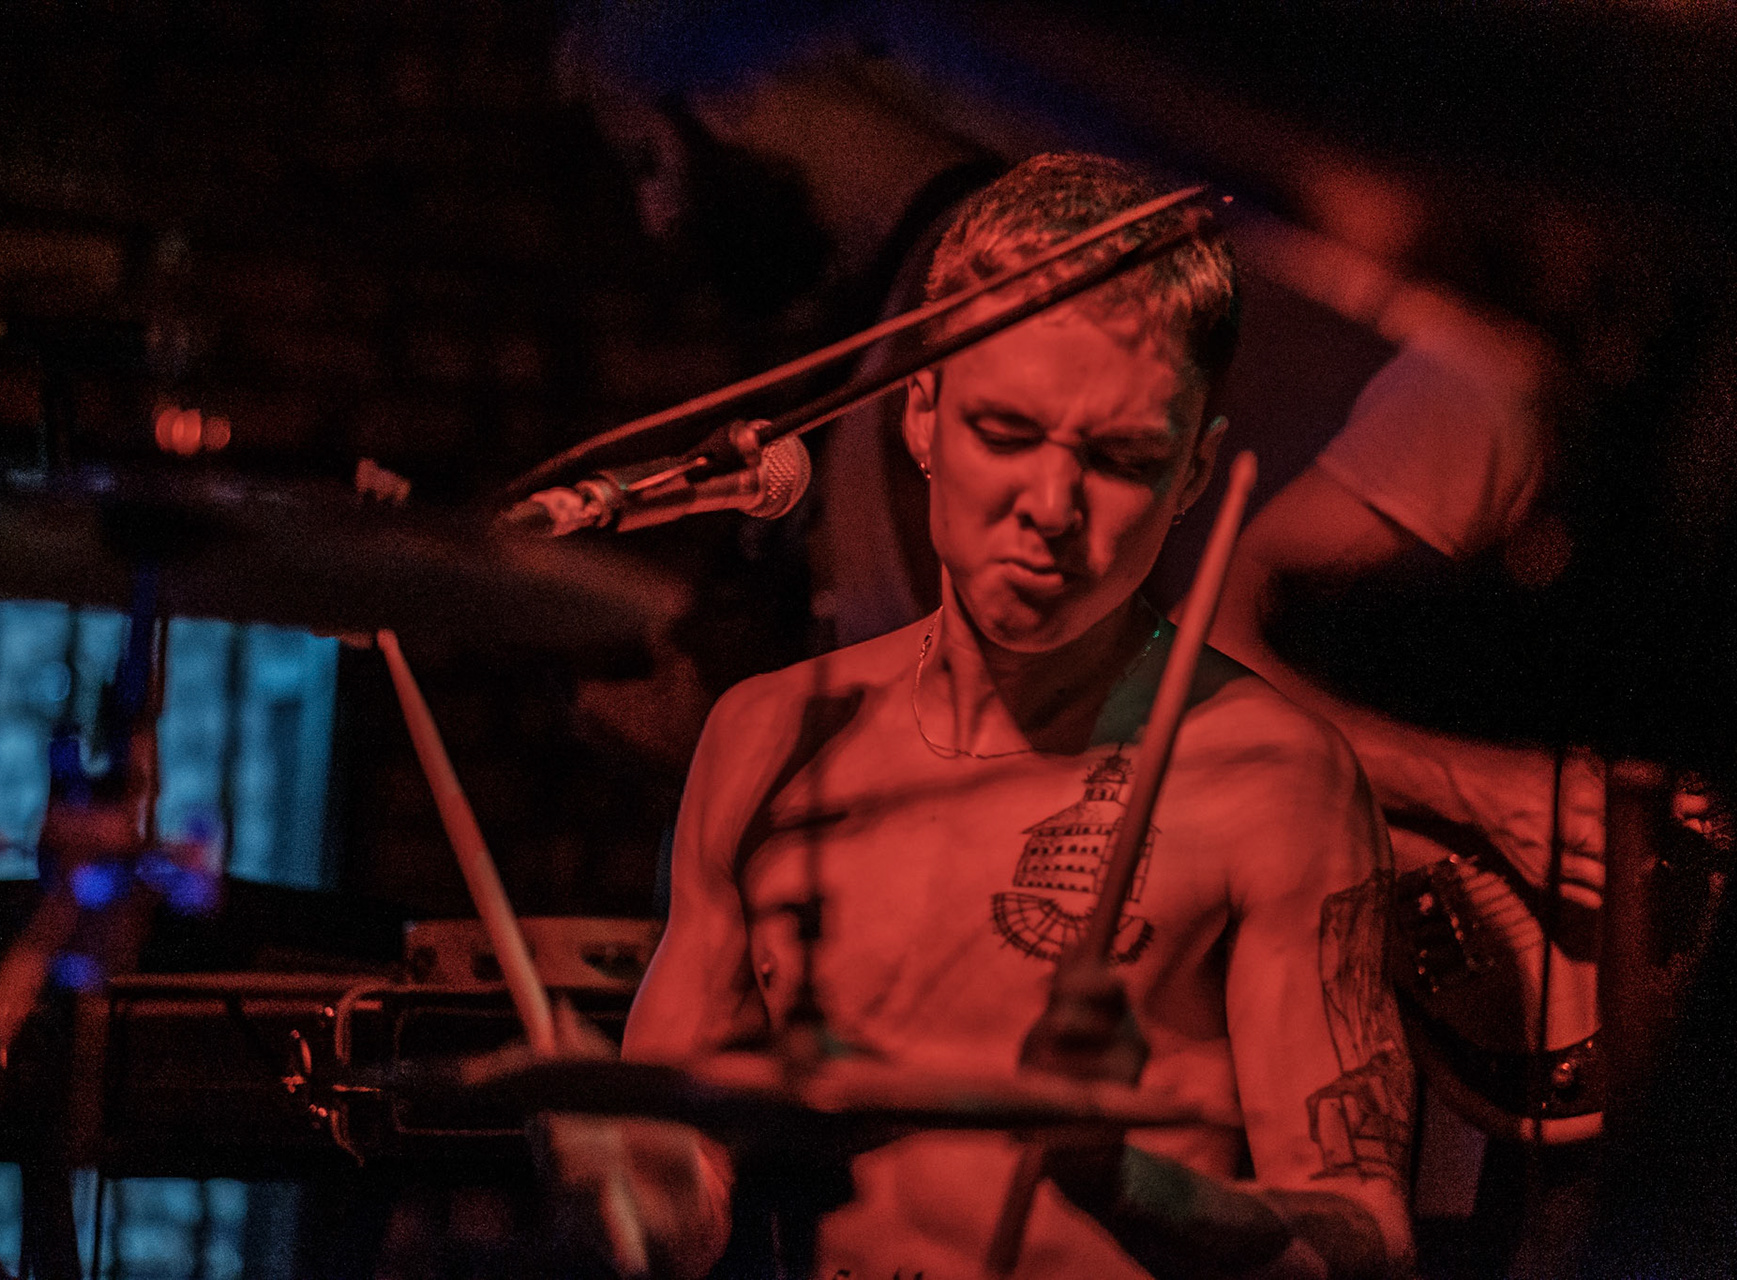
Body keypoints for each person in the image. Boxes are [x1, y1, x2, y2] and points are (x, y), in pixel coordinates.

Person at [557, 154, 1416, 1280]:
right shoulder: (769, 737)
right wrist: (632, 1176)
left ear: (1197, 470)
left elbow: (1370, 1251)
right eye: (1007, 432)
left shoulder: (1273, 781)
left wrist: (1126, 1180)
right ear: (922, 413)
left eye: (1120, 458)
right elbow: (681, 1194)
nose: (1051, 508)